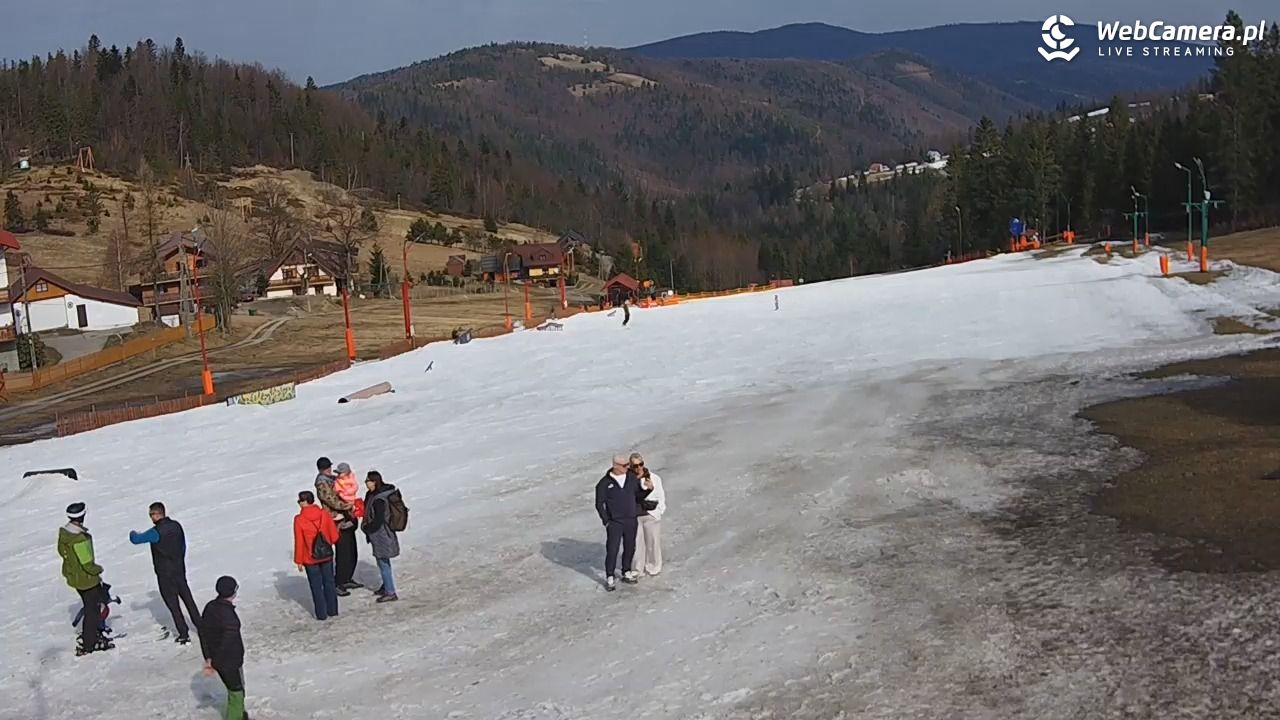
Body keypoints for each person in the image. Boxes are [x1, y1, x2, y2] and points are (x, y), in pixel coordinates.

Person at [129, 501, 201, 644]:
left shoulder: (155, 532)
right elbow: (183, 546)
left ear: (157, 514)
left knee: (174, 606)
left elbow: (136, 539)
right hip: (179, 570)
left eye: (151, 514)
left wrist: (132, 532)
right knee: (189, 600)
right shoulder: (176, 526)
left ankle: (183, 633)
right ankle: (201, 627)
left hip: (165, 575)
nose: (151, 517)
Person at [57, 502, 113, 655]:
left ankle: (91, 635)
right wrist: (98, 570)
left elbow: (62, 552)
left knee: (90, 607)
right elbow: (87, 564)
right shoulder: (79, 539)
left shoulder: (65, 534)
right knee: (92, 610)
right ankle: (89, 643)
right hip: (86, 580)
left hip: (74, 578)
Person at [594, 455, 652, 590]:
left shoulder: (631, 478)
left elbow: (637, 496)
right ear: (615, 466)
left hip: (631, 519)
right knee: (612, 549)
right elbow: (599, 504)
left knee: (630, 546)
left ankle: (626, 571)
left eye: (628, 465)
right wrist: (606, 520)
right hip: (615, 522)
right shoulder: (604, 483)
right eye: (624, 465)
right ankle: (610, 576)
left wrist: (648, 490)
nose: (628, 467)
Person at [201, 576, 248, 720]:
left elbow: (203, 633)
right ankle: (236, 716)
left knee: (236, 689)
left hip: (218, 659)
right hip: (229, 661)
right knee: (237, 692)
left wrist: (208, 656)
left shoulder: (210, 607)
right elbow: (229, 642)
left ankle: (240, 713)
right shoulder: (229, 618)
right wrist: (216, 661)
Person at [293, 491, 340, 620]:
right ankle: (333, 610)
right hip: (326, 555)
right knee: (329, 582)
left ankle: (321, 614)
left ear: (304, 502)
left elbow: (299, 541)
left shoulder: (299, 519)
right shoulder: (324, 514)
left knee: (316, 586)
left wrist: (298, 560)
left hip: (310, 558)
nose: (298, 503)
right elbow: (334, 536)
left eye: (299, 501)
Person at [315, 457, 357, 596]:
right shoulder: (322, 483)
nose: (329, 470)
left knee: (351, 550)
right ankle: (339, 581)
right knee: (343, 552)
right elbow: (331, 500)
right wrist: (347, 505)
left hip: (346, 517)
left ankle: (347, 578)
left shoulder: (332, 479)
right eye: (326, 468)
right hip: (336, 520)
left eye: (329, 467)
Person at [361, 471, 403, 603]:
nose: (366, 483)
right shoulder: (375, 494)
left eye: (367, 481)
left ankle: (390, 592)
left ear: (374, 482)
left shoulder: (379, 499)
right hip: (381, 533)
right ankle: (386, 585)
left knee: (383, 562)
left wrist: (368, 528)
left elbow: (379, 519)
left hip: (381, 534)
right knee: (382, 561)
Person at [629, 453, 666, 577]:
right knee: (637, 545)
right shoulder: (629, 480)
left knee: (653, 542)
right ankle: (637, 569)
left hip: (651, 514)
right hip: (635, 516)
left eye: (641, 464)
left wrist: (659, 512)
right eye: (635, 466)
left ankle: (654, 566)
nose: (639, 468)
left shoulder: (654, 478)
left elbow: (661, 496)